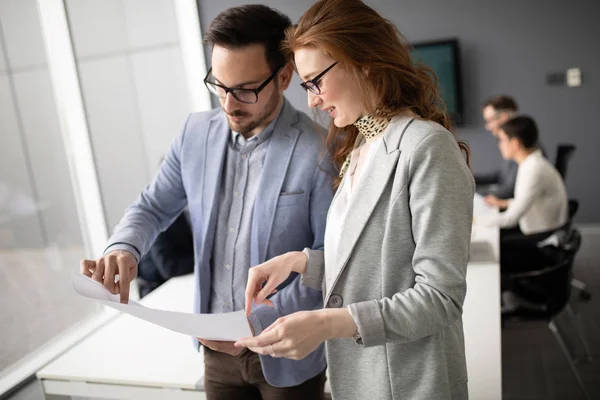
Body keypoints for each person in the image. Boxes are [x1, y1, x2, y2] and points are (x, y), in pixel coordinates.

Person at [80, 5, 334, 399]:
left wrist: (258, 320)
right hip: (216, 357)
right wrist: (123, 247)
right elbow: (151, 206)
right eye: (219, 84)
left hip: (288, 354)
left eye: (245, 89)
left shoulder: (320, 151)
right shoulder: (194, 134)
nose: (228, 104)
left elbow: (329, 260)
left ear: (284, 76)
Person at [235, 1, 475, 399]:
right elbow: (378, 261)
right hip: (363, 380)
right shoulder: (362, 142)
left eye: (315, 82)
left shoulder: (426, 147)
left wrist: (329, 323)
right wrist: (300, 262)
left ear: (362, 61)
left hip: (410, 382)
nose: (311, 100)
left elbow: (441, 298)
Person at [476, 115, 568, 274]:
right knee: (492, 234)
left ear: (516, 143)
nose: (499, 145)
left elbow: (510, 219)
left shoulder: (532, 169)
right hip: (544, 225)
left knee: (491, 244)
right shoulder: (531, 163)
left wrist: (475, 220)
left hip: (541, 234)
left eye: (502, 140)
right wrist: (506, 203)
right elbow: (529, 200)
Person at [136, 210, 194, 298]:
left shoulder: (182, 214)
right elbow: (169, 268)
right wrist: (206, 259)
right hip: (156, 291)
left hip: (178, 283)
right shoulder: (158, 222)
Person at [475, 95, 519, 198]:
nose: (487, 127)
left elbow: (509, 191)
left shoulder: (519, 146)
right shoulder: (515, 142)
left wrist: (471, 192)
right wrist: (471, 180)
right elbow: (502, 176)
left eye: (489, 121)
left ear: (504, 117)